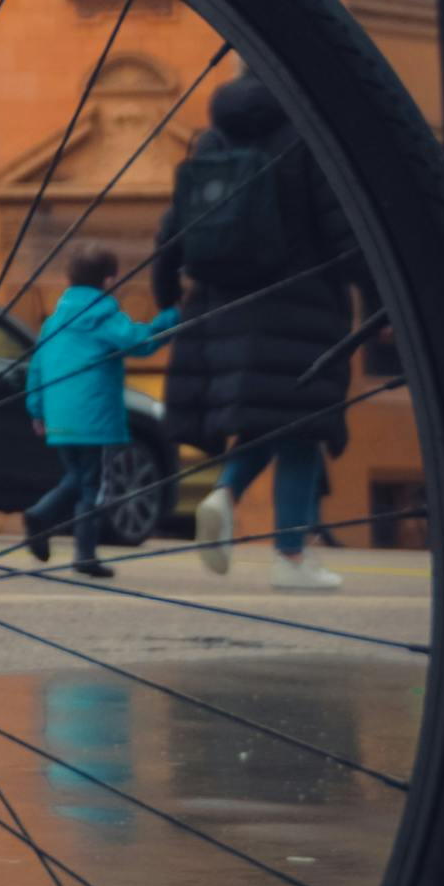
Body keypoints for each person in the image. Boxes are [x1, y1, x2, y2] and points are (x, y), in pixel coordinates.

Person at [153, 74, 357, 589]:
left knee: (270, 421)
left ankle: (224, 494)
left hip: (223, 309)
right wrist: (381, 301)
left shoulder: (212, 143)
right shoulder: (306, 141)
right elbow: (344, 230)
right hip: (304, 308)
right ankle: (290, 557)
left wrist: (166, 295)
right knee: (301, 431)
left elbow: (173, 228)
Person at [18, 248, 179, 582]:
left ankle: (42, 517)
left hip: (60, 417)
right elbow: (141, 342)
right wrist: (172, 318)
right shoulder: (104, 316)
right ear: (110, 280)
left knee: (77, 478)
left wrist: (37, 410)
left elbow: (36, 368)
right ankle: (82, 552)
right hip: (96, 419)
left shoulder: (54, 320)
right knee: (95, 487)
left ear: (68, 280)